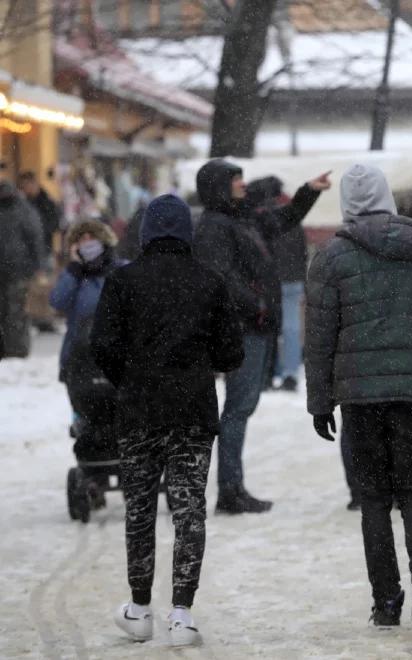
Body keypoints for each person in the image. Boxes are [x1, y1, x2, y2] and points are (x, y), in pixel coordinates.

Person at [305, 164, 412, 628]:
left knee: (374, 497)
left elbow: (320, 337)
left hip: (359, 396)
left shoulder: (332, 257)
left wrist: (320, 401)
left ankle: (386, 599)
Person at [91, 194, 245, 647]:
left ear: (144, 233)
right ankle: (182, 613)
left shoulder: (122, 282)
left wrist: (130, 377)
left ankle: (139, 609)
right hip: (193, 412)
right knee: (189, 509)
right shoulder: (209, 282)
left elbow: (102, 345)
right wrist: (199, 365)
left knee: (139, 509)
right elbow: (231, 352)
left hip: (139, 412)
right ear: (187, 233)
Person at [192, 159, 329, 514]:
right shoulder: (214, 227)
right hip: (241, 328)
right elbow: (219, 276)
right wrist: (256, 305)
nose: (242, 184)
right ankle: (229, 489)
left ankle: (232, 485)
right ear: (219, 186)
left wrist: (306, 193)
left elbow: (281, 220)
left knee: (242, 406)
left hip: (254, 324)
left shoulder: (240, 219)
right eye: (235, 179)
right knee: (237, 408)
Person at [49, 220, 127, 383]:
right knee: (81, 405)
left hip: (116, 357)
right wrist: (74, 270)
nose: (87, 242)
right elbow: (57, 301)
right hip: (78, 356)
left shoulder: (122, 270)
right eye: (81, 239)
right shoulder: (73, 275)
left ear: (104, 240)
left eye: (92, 237)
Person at [249, 176, 307, 392]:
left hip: (271, 281)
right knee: (291, 327)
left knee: (270, 326)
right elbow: (302, 251)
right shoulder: (291, 218)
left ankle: (271, 371)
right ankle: (291, 371)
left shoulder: (261, 219)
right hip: (293, 279)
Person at [0, 180, 45, 358]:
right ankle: (12, 348)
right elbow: (36, 238)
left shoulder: (24, 210)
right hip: (16, 268)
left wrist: (38, 266)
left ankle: (16, 349)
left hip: (18, 270)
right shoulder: (25, 210)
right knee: (11, 311)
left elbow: (35, 239)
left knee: (15, 311)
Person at [18, 171, 61, 256]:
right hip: (26, 253)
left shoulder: (47, 202)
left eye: (25, 185)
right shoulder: (22, 203)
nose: (23, 189)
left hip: (44, 249)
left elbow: (55, 224)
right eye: (22, 186)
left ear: (33, 183)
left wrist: (38, 231)